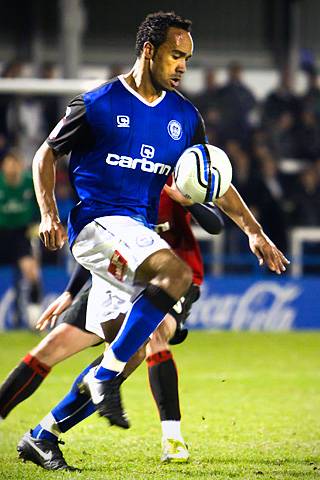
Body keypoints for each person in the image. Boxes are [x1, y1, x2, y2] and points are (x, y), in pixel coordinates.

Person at [31, 10, 288, 438]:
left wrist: (254, 230)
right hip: (97, 224)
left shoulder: (185, 117)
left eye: (187, 57)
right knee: (177, 274)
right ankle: (104, 377)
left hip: (135, 236)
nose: (183, 65)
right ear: (149, 51)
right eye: (176, 55)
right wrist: (49, 214)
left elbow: (215, 182)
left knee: (129, 350)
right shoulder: (98, 103)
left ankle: (42, 436)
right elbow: (45, 154)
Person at [1, 187, 223, 467]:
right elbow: (101, 236)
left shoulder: (174, 169)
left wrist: (187, 201)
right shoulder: (122, 178)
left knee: (148, 339)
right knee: (54, 345)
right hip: (113, 272)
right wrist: (71, 292)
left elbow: (216, 223)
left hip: (168, 280)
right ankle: (37, 432)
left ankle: (172, 438)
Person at [0, 150, 42, 327]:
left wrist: (38, 223)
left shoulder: (29, 182)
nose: (12, 167)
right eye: (8, 163)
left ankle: (35, 317)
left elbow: (42, 200)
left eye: (15, 163)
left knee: (32, 272)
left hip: (20, 234)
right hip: (1, 232)